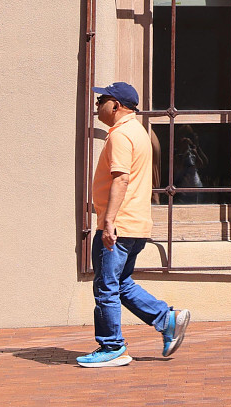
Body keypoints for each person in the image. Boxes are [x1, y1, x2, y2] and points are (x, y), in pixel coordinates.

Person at [78, 81, 190, 368]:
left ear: (116, 105)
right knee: (120, 283)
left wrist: (108, 223)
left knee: (106, 287)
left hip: (120, 225)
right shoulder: (138, 132)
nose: (97, 103)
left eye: (101, 99)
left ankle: (112, 346)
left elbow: (121, 178)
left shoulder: (121, 135)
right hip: (136, 224)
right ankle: (167, 319)